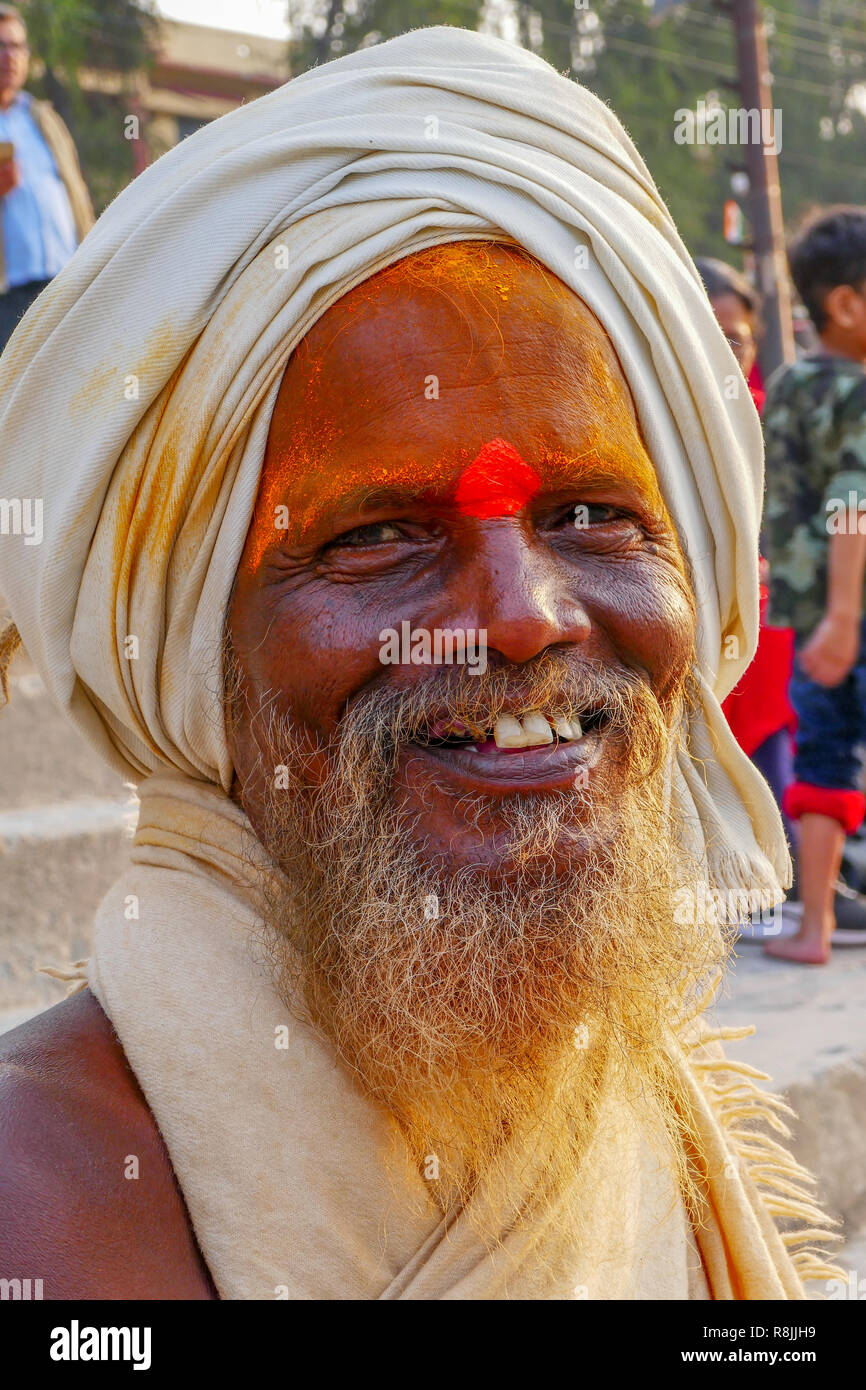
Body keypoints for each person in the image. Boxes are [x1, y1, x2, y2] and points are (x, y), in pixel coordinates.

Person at [0, 29, 837, 1300]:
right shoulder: (44, 1215)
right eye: (379, 533)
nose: (521, 616)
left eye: (588, 515)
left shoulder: (647, 1104)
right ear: (180, 640)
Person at [763, 206, 866, 966]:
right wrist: (845, 615)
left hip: (810, 615)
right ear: (847, 304)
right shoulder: (858, 394)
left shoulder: (793, 382)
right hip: (848, 610)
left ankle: (816, 927)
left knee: (825, 754)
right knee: (832, 752)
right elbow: (851, 505)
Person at [696, 258, 797, 858]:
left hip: (766, 601)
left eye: (735, 338)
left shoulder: (772, 416)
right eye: (706, 334)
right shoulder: (647, 417)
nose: (722, 352)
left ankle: (778, 856)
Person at [0, 3, 93, 352]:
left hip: (65, 285)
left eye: (16, 46)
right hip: (9, 298)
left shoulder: (44, 118)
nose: (10, 56)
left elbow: (77, 195)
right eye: (1, 46)